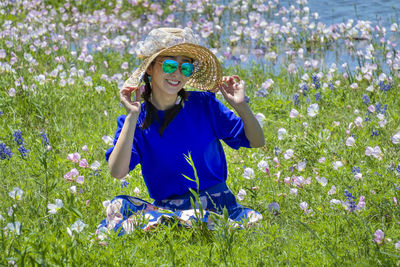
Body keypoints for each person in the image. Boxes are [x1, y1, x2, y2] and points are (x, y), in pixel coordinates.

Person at [98, 27, 265, 235]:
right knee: (119, 204)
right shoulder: (134, 120)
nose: (177, 73)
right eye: (169, 65)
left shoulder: (205, 105)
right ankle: (180, 225)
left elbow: (257, 141)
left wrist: (241, 106)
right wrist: (132, 116)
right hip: (167, 208)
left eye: (185, 68)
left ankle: (181, 226)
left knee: (148, 222)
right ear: (149, 69)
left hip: (216, 205)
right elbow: (117, 171)